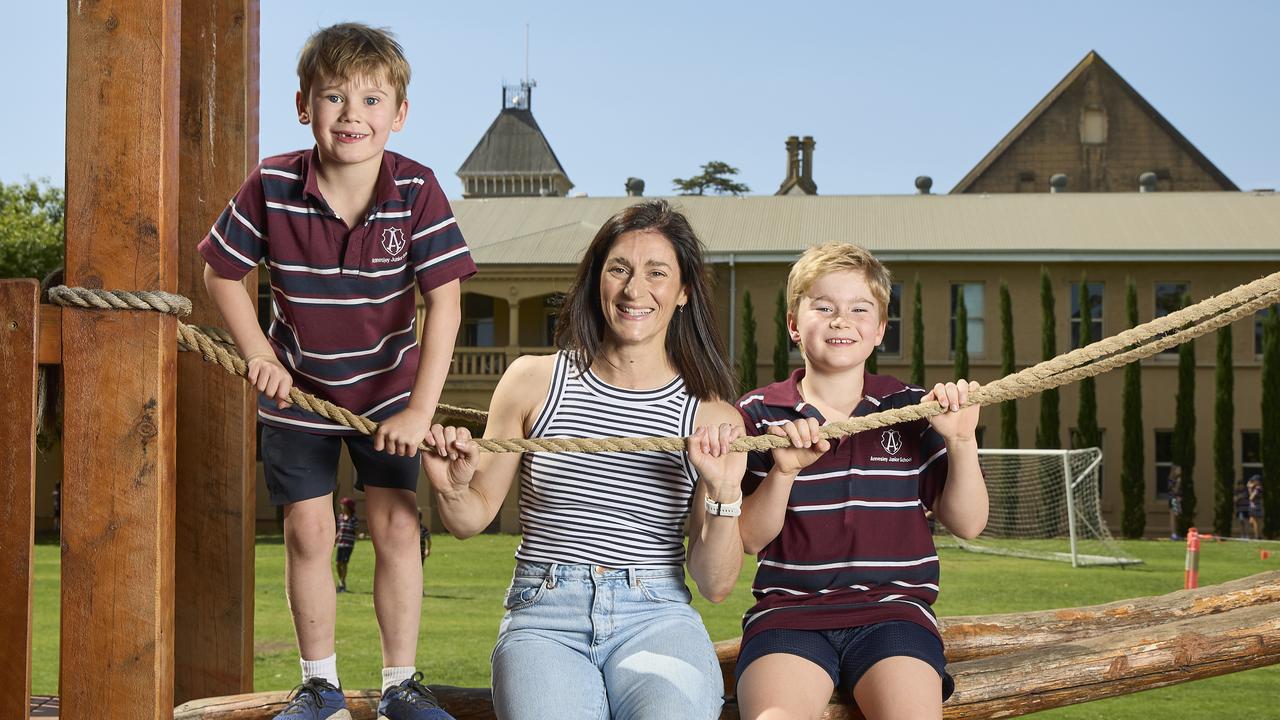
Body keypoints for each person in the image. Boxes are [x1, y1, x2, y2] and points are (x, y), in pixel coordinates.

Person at [198, 22, 474, 720]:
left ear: (399, 114)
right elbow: (220, 273)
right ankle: (317, 685)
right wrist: (260, 355)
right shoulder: (273, 184)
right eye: (334, 98)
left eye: (372, 100)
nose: (352, 114)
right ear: (304, 106)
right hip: (299, 393)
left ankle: (400, 686)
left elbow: (445, 302)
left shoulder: (416, 190)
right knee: (309, 532)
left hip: (388, 395)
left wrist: (419, 409)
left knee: (397, 526)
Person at [421, 200, 746, 720]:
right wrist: (454, 488)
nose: (635, 289)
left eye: (657, 273)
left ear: (683, 291)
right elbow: (469, 518)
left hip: (657, 613)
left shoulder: (710, 414)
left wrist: (727, 497)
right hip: (544, 616)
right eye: (619, 269)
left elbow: (715, 584)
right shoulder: (534, 380)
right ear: (598, 280)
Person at [734, 243, 987, 720]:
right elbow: (748, 539)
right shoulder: (759, 414)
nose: (840, 320)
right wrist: (785, 471)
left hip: (894, 614)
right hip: (790, 616)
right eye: (823, 306)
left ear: (879, 331)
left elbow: (969, 524)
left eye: (858, 309)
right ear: (793, 324)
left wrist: (961, 441)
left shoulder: (911, 408)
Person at [335, 497, 360, 592]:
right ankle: (341, 582)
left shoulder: (353, 519)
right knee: (337, 563)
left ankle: (342, 583)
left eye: (344, 505)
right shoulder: (341, 517)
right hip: (341, 544)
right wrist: (335, 539)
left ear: (348, 507)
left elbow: (356, 531)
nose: (342, 507)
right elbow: (340, 530)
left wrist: (358, 536)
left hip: (348, 544)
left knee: (344, 563)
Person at [1168, 466, 1184, 541]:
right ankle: (1173, 534)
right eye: (1178, 469)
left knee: (1177, 517)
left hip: (1178, 500)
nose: (1180, 471)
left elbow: (1180, 492)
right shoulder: (1171, 480)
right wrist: (1178, 483)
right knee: (1173, 516)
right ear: (1174, 471)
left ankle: (1176, 534)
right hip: (1173, 500)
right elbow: (1173, 491)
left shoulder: (1179, 479)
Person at [418, 510, 431, 597]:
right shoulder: (409, 527)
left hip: (420, 553)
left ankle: (420, 591)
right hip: (412, 554)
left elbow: (429, 540)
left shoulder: (423, 529)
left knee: (419, 571)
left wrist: (427, 549)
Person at [1248, 474, 1264, 540]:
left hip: (1256, 506)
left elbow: (1251, 497)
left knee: (1255, 521)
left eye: (1254, 480)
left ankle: (1257, 537)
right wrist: (1250, 488)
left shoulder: (1258, 488)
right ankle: (1259, 536)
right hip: (1253, 507)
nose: (1253, 482)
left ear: (1258, 481)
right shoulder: (1255, 488)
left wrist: (1249, 488)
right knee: (1251, 521)